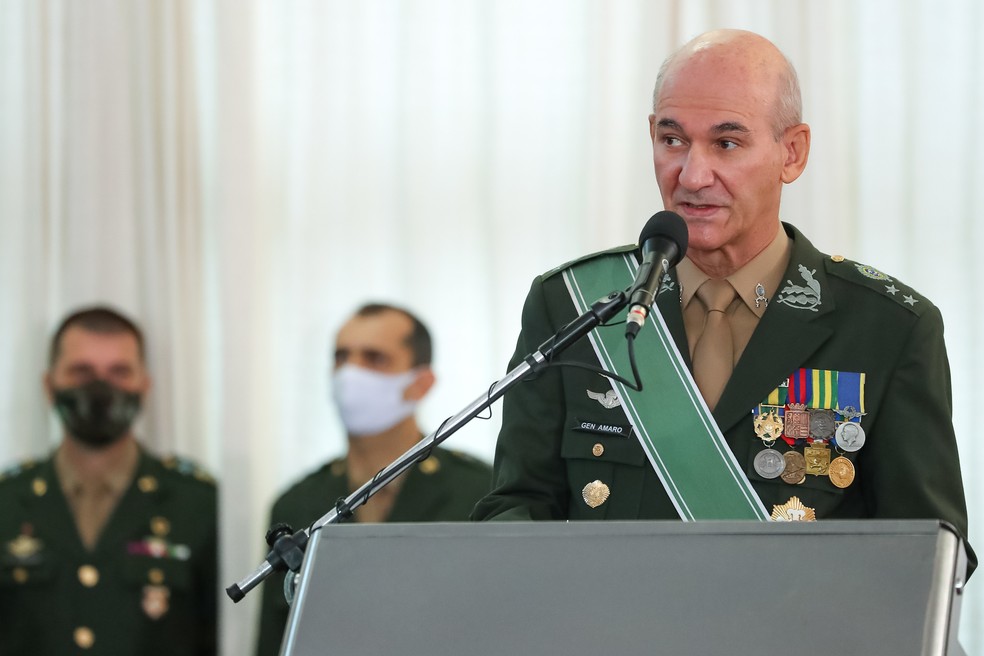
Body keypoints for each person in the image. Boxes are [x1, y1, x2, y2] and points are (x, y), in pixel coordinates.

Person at [471, 29, 974, 574]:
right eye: (672, 140)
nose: (692, 175)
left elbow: (930, 555)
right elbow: (517, 505)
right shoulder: (576, 306)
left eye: (726, 144)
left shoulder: (886, 327)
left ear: (792, 153)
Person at [255, 303, 492, 655]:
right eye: (341, 357)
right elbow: (276, 642)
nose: (350, 372)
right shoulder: (297, 504)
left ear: (421, 383)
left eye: (374, 358)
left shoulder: (480, 491)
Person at [0, 306, 217, 655]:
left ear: (144, 386)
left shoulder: (198, 505)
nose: (101, 387)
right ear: (49, 385)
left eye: (119, 372)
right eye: (81, 372)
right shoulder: (7, 503)